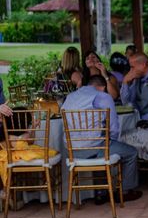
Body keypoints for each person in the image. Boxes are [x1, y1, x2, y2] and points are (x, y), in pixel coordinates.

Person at [61, 75, 142, 204]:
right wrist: (111, 141)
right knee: (130, 152)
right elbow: (114, 127)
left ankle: (101, 193)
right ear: (103, 88)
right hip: (95, 148)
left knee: (101, 148)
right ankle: (125, 191)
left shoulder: (70, 97)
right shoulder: (103, 96)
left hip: (72, 151)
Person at [121, 53, 148, 128]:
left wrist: (144, 118)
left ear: (143, 65)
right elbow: (126, 102)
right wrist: (125, 82)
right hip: (139, 120)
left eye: (132, 67)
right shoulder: (137, 78)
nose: (131, 70)